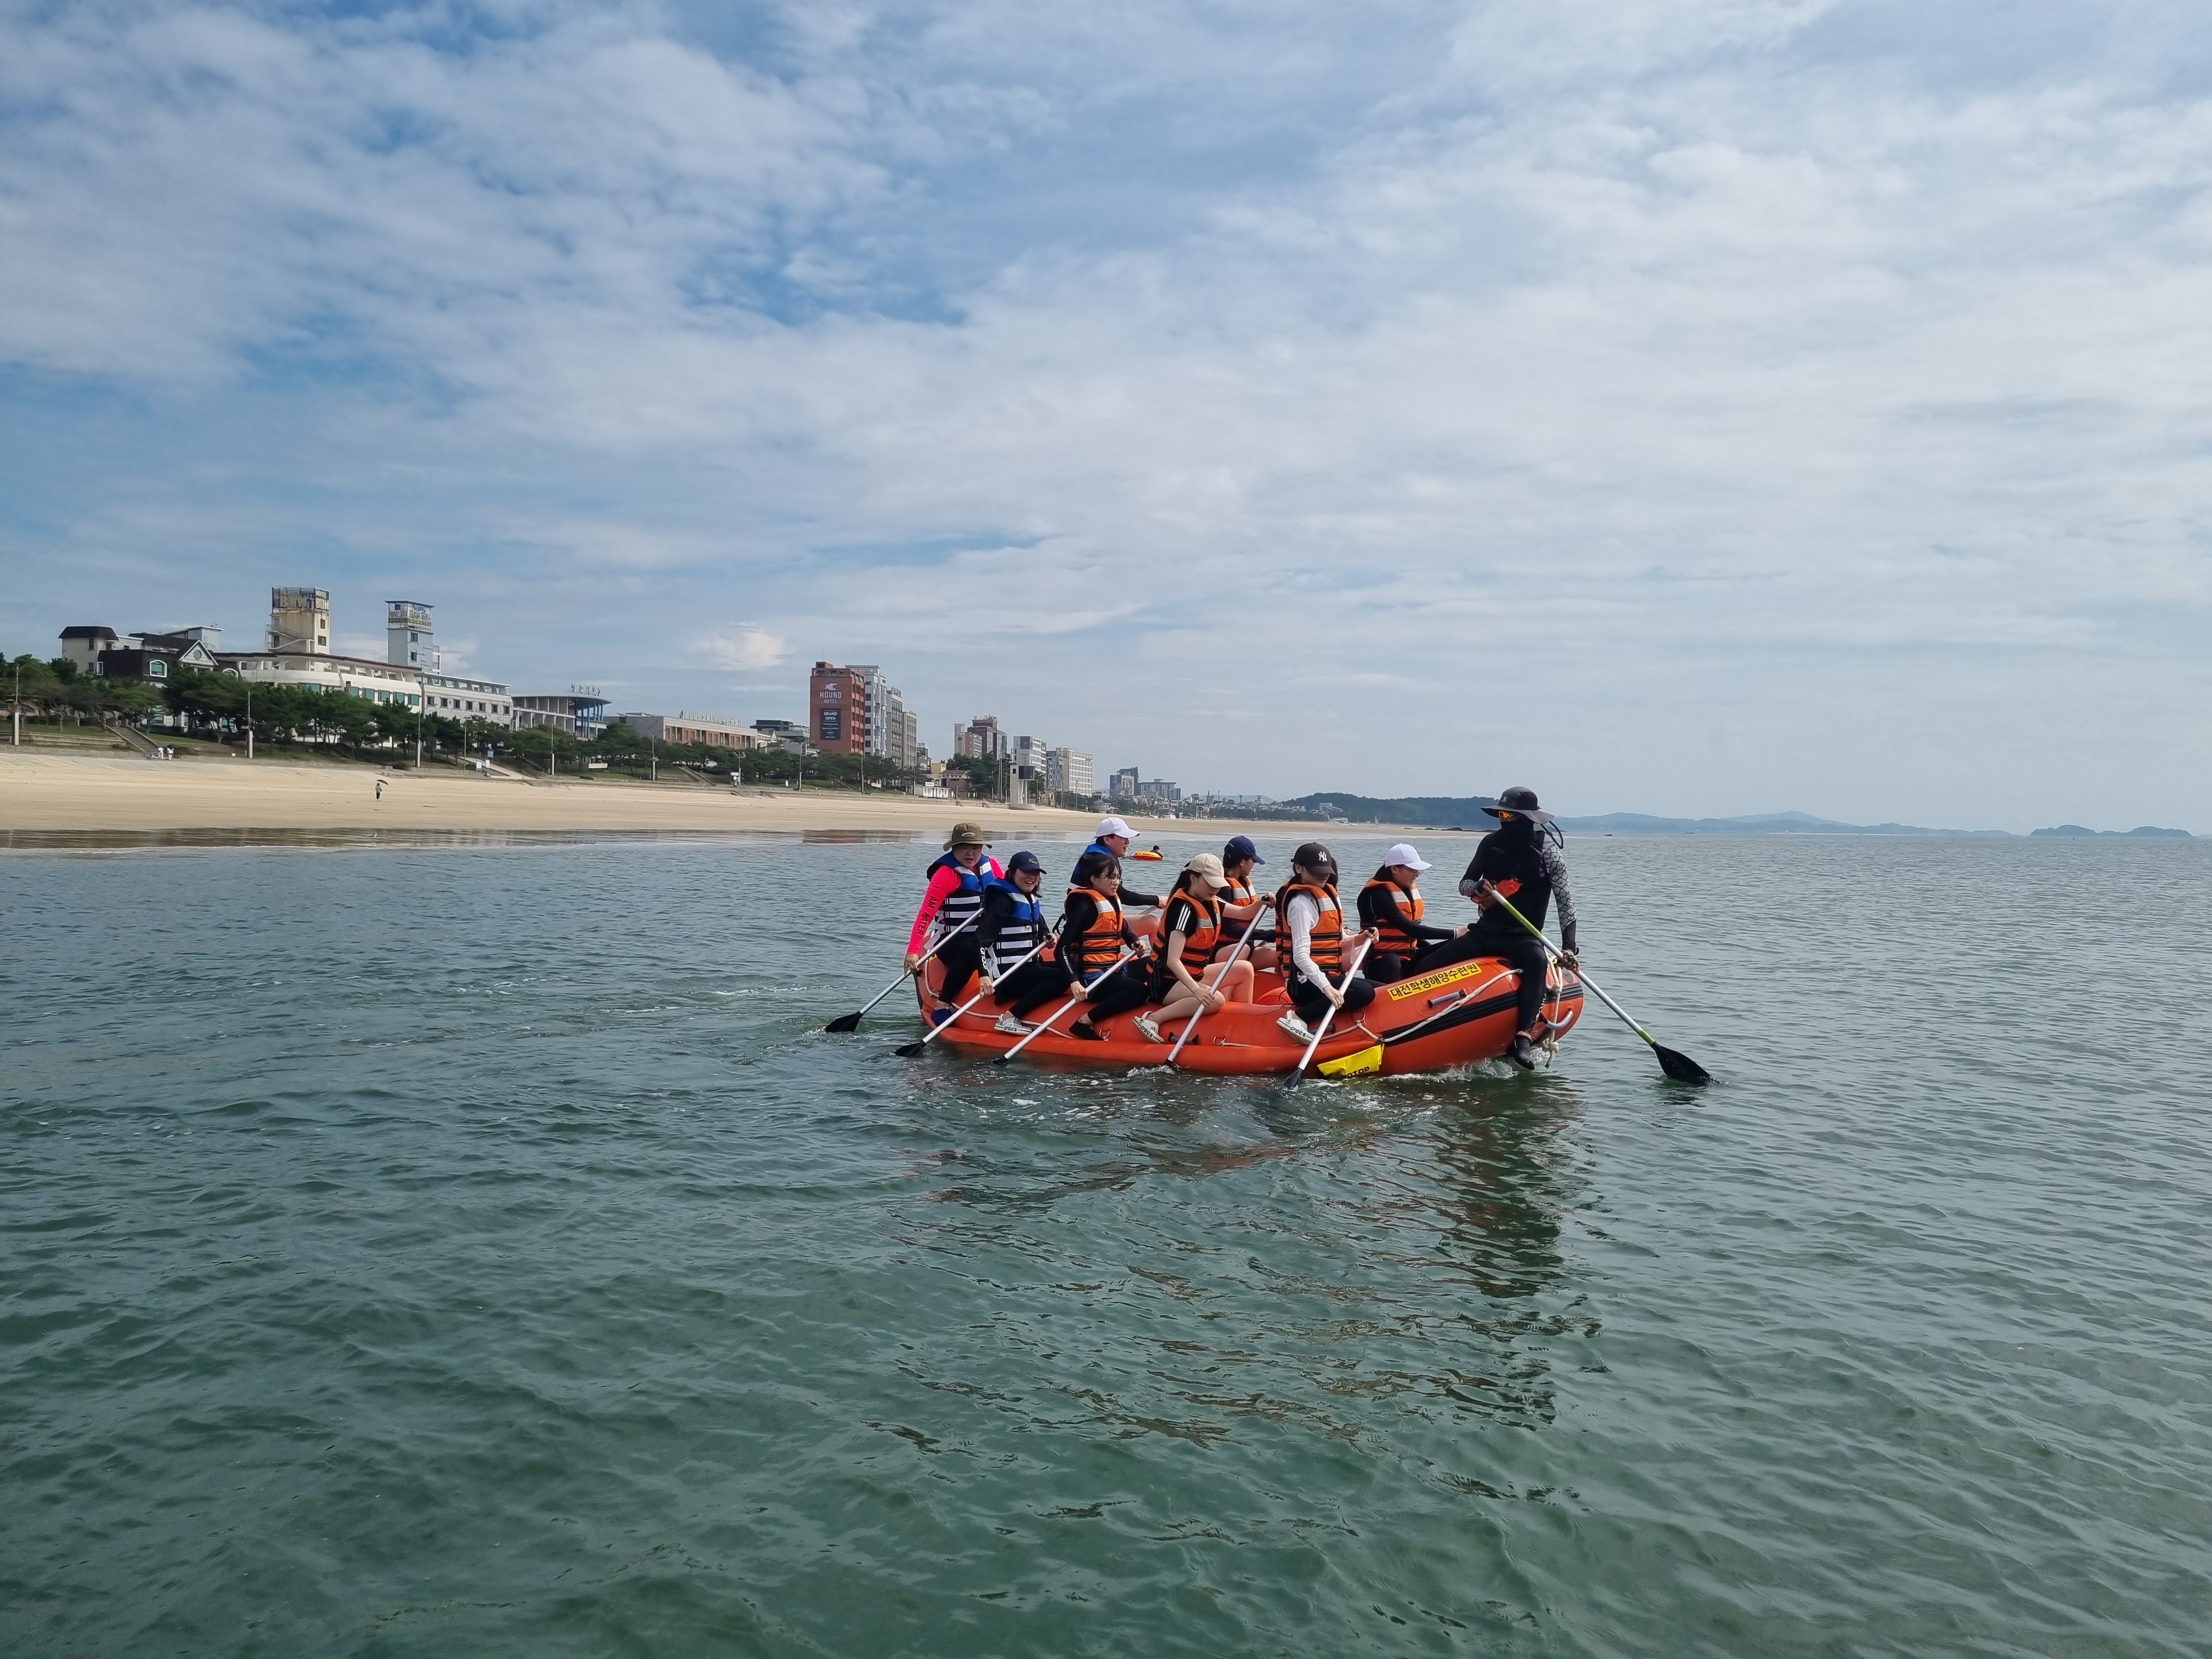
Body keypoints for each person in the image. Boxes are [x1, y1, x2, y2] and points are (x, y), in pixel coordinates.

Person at [1407, 787, 1578, 1069]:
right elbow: (1464, 884)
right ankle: (1421, 1027)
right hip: (1487, 932)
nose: (1503, 819)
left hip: (1524, 936)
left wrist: (1569, 947)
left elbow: (1566, 904)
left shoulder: (1547, 854)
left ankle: (1522, 1039)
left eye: (1509, 814)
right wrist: (1478, 887)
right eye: (1500, 813)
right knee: (1426, 965)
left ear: (1527, 818)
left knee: (1536, 964)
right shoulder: (1490, 843)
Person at [1002, 856, 1151, 1039]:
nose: (1116, 882)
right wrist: (1073, 981)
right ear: (1094, 880)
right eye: (1110, 877)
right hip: (1092, 978)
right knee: (1140, 991)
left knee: (1155, 965)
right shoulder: (1084, 906)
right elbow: (1061, 948)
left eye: (1118, 877)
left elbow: (1124, 928)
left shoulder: (1112, 899)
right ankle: (1085, 1022)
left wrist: (1134, 941)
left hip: (1114, 969)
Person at [1131, 853, 1265, 1043]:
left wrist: (1264, 902)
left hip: (1195, 974)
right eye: (1210, 883)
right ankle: (1153, 1018)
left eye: (1217, 884)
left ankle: (1243, 1023)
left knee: (1244, 969)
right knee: (1216, 999)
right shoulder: (1183, 910)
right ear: (1193, 878)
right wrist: (1196, 990)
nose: (1215, 889)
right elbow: (1173, 961)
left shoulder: (1211, 901)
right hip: (1166, 983)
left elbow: (1244, 913)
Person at [1273, 842, 1379, 1043]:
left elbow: (1335, 943)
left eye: (1325, 872)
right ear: (1299, 869)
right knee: (1364, 992)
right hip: (1305, 985)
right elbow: (1301, 956)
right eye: (1317, 872)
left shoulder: (1326, 896)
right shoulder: (1300, 905)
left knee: (1383, 989)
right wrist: (1326, 988)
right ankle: (1298, 1017)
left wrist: (1360, 938)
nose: (1323, 877)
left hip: (1329, 976)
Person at [904, 822, 1005, 1019]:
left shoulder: (991, 866)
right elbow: (925, 914)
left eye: (976, 847)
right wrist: (913, 951)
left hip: (985, 938)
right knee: (972, 946)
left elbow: (1010, 898)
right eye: (964, 847)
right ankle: (943, 1003)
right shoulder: (945, 874)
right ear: (954, 848)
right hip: (952, 942)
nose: (971, 853)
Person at [1357, 842, 1463, 983]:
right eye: (1413, 870)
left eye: (1418, 871)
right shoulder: (1378, 895)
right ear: (1395, 869)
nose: (1417, 875)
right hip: (1382, 966)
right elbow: (1408, 928)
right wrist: (1454, 933)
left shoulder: (1406, 889)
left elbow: (1411, 936)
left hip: (1409, 960)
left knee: (1456, 946)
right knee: (1392, 959)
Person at [980, 851, 1061, 1017]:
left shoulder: (1030, 900)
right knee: (1064, 978)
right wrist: (983, 975)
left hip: (1029, 968)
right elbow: (980, 941)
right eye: (1026, 872)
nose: (1032, 877)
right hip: (1008, 976)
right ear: (1012, 873)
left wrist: (1048, 938)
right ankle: (1010, 1017)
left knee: (1074, 969)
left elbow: (1043, 932)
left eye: (1035, 873)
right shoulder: (1004, 902)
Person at [1212, 834, 1277, 969]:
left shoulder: (1243, 882)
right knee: (1244, 950)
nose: (1254, 864)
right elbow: (1229, 929)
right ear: (1242, 862)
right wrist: (1266, 935)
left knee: (1284, 957)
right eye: (1252, 860)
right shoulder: (1223, 888)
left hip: (1245, 947)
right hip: (1225, 950)